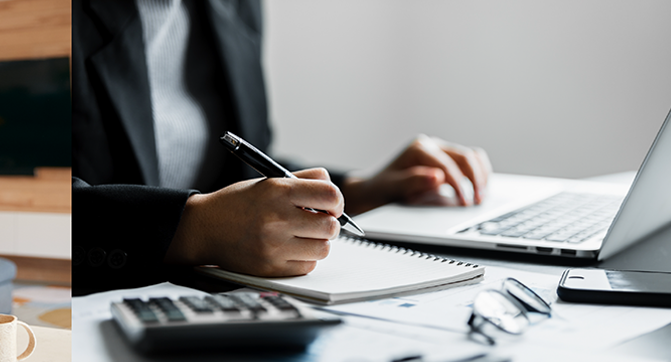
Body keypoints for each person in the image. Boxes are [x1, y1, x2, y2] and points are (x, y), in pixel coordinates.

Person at [71, 0, 492, 295]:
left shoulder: (234, 7)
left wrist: (361, 190)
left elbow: (239, 172)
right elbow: (14, 206)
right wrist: (193, 227)